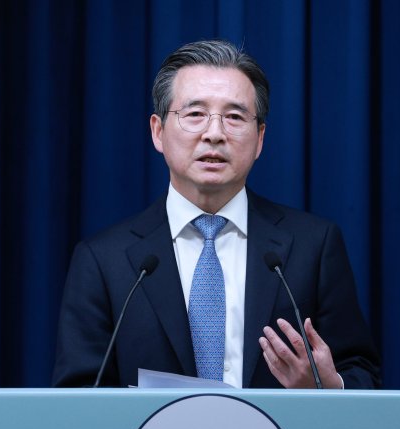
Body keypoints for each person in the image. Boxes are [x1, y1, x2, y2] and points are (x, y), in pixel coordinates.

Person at [52, 39, 380, 389]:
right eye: (195, 114)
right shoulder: (104, 261)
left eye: (235, 117)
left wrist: (327, 388)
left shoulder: (312, 247)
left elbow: (363, 374)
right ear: (158, 131)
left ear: (260, 139)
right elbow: (77, 398)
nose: (214, 134)